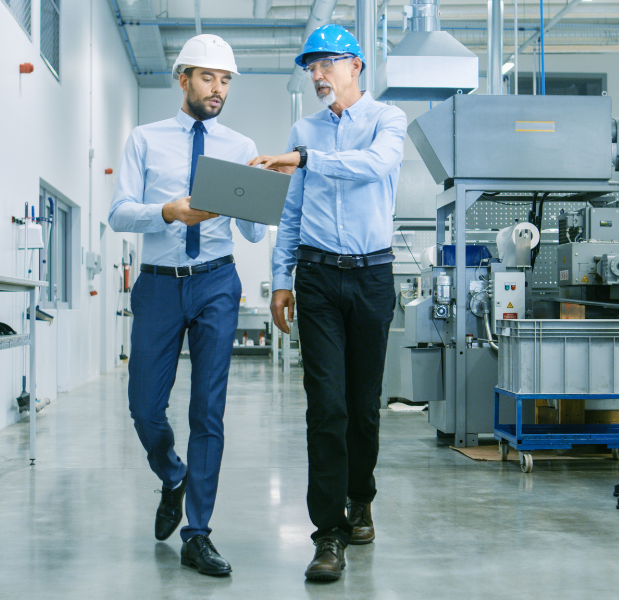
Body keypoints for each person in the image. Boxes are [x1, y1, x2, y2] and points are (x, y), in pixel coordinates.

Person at [249, 24, 407, 582]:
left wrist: (306, 159)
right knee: (327, 407)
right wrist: (280, 277)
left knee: (363, 407)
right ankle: (328, 533)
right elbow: (292, 212)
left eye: (326, 64)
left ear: (355, 66)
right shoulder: (304, 130)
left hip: (372, 277)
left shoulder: (387, 120)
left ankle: (361, 497)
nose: (316, 75)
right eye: (310, 67)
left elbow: (376, 166)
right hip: (316, 277)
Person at [108, 34, 266, 577]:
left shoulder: (241, 144)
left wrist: (266, 194)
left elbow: (249, 232)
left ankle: (198, 533)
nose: (218, 89)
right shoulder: (145, 140)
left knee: (208, 411)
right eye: (208, 78)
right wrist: (168, 212)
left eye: (225, 81)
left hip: (217, 281)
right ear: (183, 79)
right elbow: (119, 213)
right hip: (158, 283)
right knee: (145, 407)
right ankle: (172, 475)